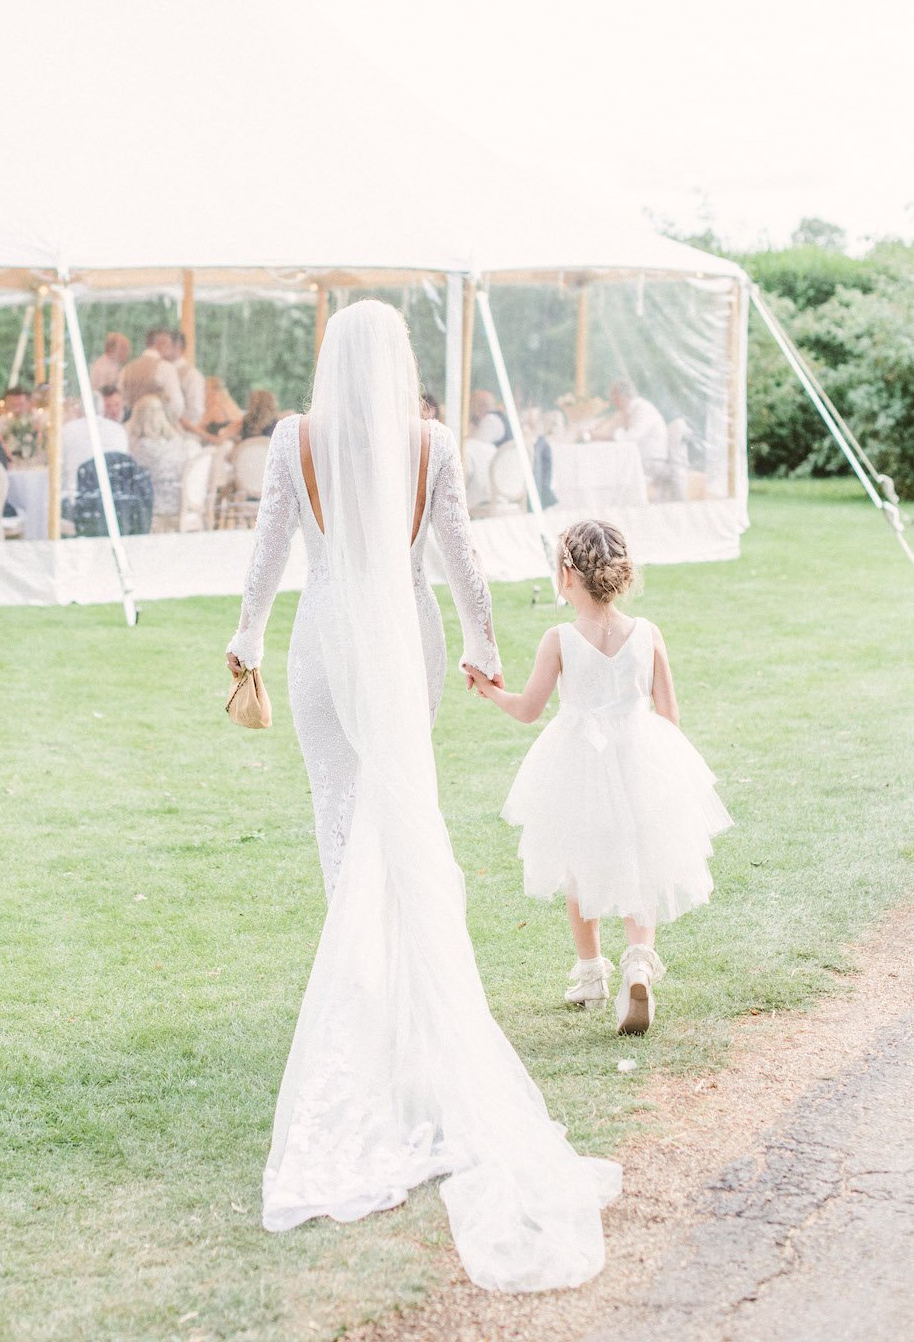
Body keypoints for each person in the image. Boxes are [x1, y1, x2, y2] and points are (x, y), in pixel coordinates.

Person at [226, 299, 619, 1292]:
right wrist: (484, 645)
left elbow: (269, 550)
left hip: (321, 646)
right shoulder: (431, 441)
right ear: (397, 362)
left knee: (341, 823)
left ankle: (366, 1018)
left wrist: (247, 635)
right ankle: (405, 1020)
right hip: (405, 644)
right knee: (402, 819)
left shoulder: (294, 438)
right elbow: (459, 557)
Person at [467, 519, 731, 1037]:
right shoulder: (648, 633)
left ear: (566, 576)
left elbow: (528, 709)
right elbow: (670, 715)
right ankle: (639, 963)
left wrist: (489, 689)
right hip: (640, 757)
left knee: (577, 863)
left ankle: (591, 975)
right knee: (641, 860)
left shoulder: (560, 639)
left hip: (578, 764)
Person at [127, 394, 195, 524]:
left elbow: (132, 478)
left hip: (158, 504)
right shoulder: (177, 441)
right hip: (184, 500)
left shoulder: (143, 447)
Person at [594, 378, 669, 475]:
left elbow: (630, 438)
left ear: (625, 396)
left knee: (606, 470)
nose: (614, 403)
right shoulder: (629, 411)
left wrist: (602, 436)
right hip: (641, 460)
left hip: (650, 462)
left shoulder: (642, 409)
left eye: (616, 399)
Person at [62, 389, 128, 496]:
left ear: (79, 409)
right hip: (113, 495)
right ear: (103, 408)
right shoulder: (119, 430)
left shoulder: (68, 429)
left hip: (75, 495)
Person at [119, 328, 184, 422]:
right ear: (161, 344)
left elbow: (120, 401)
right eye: (169, 346)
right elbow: (176, 405)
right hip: (156, 424)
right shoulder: (166, 368)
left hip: (129, 425)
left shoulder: (126, 369)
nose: (170, 351)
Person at [171, 330, 206, 433]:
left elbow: (196, 411)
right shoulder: (158, 370)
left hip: (182, 433)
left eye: (165, 345)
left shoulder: (192, 375)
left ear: (178, 347)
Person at [197, 376, 244, 442]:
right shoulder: (230, 404)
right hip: (235, 444)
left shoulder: (215, 408)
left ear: (212, 390)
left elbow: (198, 429)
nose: (203, 392)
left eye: (205, 388)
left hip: (219, 444)